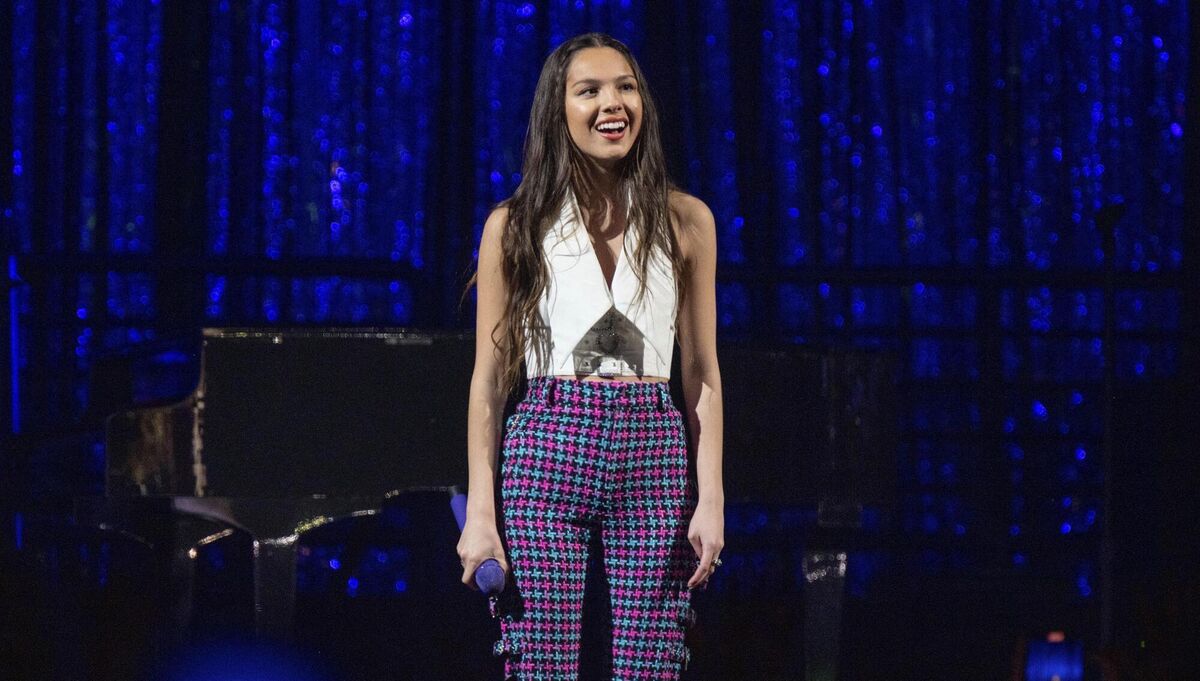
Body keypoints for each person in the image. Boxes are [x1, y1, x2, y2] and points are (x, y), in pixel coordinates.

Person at [458, 32, 724, 680]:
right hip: (548, 443)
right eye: (590, 90)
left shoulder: (686, 220)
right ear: (559, 109)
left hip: (652, 450)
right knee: (541, 665)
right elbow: (489, 381)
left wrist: (711, 496)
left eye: (626, 87)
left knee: (651, 664)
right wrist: (481, 512)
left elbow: (702, 375)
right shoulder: (514, 225)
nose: (613, 104)